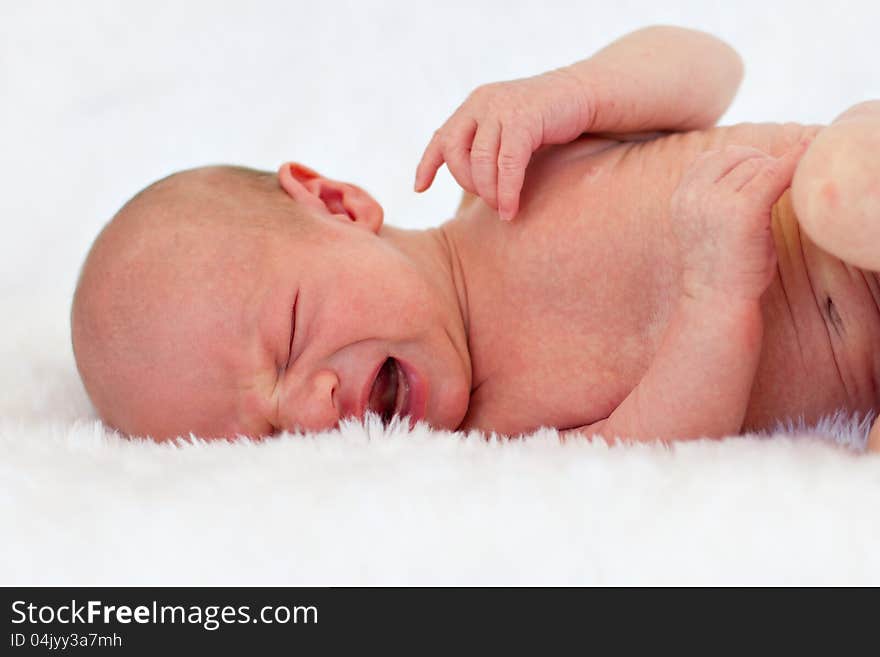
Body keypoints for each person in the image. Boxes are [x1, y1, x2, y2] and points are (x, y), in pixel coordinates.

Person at [70, 25, 880, 451]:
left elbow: (714, 68)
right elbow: (664, 447)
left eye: (287, 340)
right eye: (269, 435)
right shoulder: (503, 435)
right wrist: (714, 300)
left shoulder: (508, 174)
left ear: (337, 202)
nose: (312, 410)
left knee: (835, 190)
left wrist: (580, 92)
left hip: (849, 202)